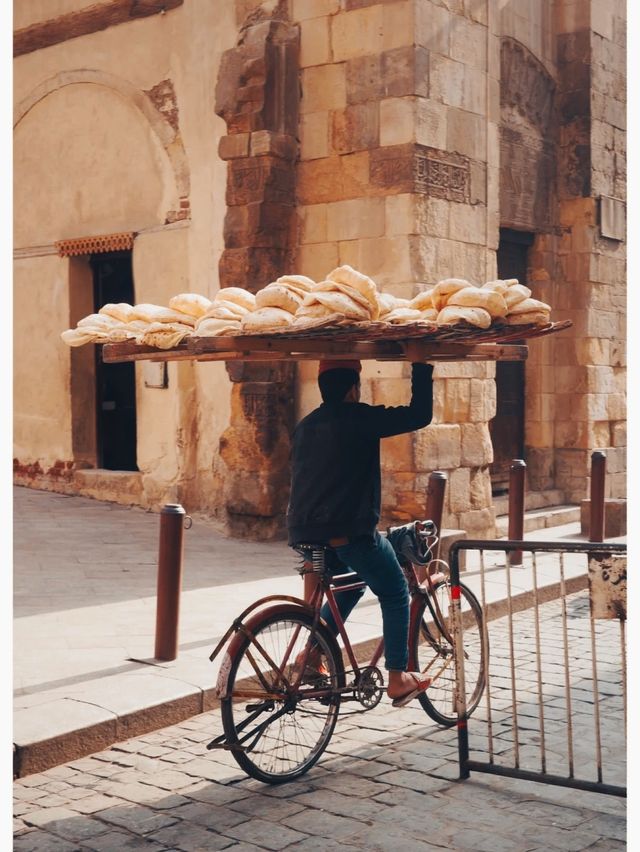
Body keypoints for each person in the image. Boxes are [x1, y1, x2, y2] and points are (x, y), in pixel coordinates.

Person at [286, 358, 435, 707]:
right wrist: (421, 365)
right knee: (396, 591)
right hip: (348, 531)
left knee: (353, 582)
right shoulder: (360, 417)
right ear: (354, 387)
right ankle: (398, 678)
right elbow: (419, 415)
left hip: (306, 532)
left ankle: (310, 654)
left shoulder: (305, 426)